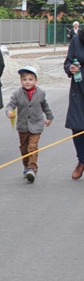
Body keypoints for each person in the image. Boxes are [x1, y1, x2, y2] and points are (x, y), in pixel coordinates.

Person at [4, 66, 53, 183]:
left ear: (36, 81)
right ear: (21, 81)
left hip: (36, 124)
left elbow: (45, 105)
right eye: (25, 79)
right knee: (24, 149)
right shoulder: (16, 94)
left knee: (33, 147)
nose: (27, 82)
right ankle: (26, 166)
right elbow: (10, 105)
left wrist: (49, 117)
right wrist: (9, 112)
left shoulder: (41, 93)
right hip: (23, 126)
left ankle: (32, 168)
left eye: (30, 79)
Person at [64, 30, 84, 179]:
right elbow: (68, 62)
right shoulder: (77, 39)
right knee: (77, 126)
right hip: (79, 87)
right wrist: (70, 68)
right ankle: (82, 161)